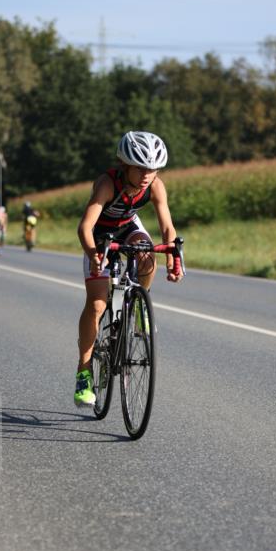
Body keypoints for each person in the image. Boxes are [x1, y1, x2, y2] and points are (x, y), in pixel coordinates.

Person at [74, 130, 182, 407]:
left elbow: (167, 226)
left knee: (147, 254)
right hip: (99, 237)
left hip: (128, 228)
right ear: (125, 165)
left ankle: (137, 304)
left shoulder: (155, 185)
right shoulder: (107, 184)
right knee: (97, 304)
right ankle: (84, 372)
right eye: (141, 168)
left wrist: (173, 256)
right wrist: (94, 254)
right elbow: (85, 227)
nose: (148, 174)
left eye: (153, 169)